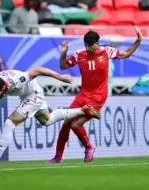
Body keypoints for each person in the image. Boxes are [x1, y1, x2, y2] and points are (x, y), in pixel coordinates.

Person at [48, 26, 143, 163]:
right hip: (83, 94)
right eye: (86, 46)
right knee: (66, 124)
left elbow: (127, 53)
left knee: (76, 125)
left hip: (98, 96)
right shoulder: (79, 54)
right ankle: (58, 157)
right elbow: (63, 66)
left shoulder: (107, 51)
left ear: (97, 43)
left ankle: (89, 148)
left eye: (90, 46)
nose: (88, 49)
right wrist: (64, 52)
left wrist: (138, 40)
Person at [0, 68, 101, 166]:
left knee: (10, 123)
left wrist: (59, 77)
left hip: (33, 94)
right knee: (47, 120)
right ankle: (82, 110)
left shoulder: (17, 80)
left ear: (4, 87)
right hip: (28, 94)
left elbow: (38, 70)